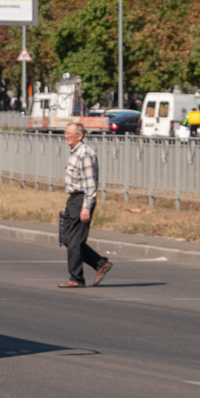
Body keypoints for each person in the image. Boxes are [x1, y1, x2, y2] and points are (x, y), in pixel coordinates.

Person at [59, 122, 113, 288]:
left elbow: (90, 184)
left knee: (74, 240)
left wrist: (86, 207)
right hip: (73, 199)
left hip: (82, 199)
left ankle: (76, 278)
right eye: (66, 133)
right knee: (67, 238)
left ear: (79, 135)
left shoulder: (85, 154)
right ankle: (99, 263)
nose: (66, 136)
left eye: (70, 133)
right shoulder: (75, 152)